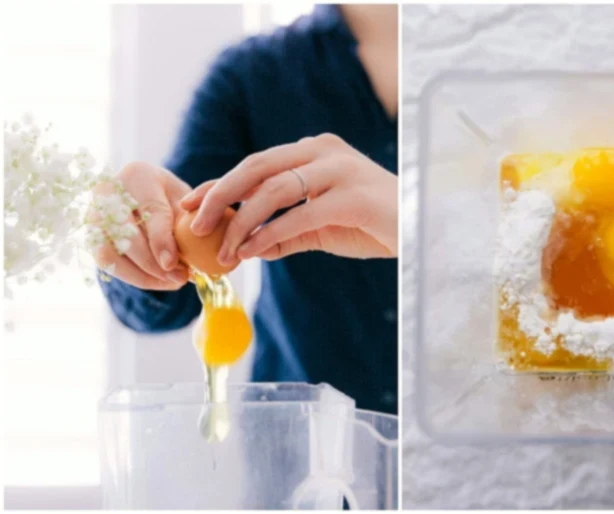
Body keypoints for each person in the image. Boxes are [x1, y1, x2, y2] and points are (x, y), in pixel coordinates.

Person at [95, 4, 399, 414]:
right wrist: (131, 234)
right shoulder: (254, 73)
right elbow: (171, 296)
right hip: (299, 452)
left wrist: (419, 223)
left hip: (477, 444)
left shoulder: (502, 66)